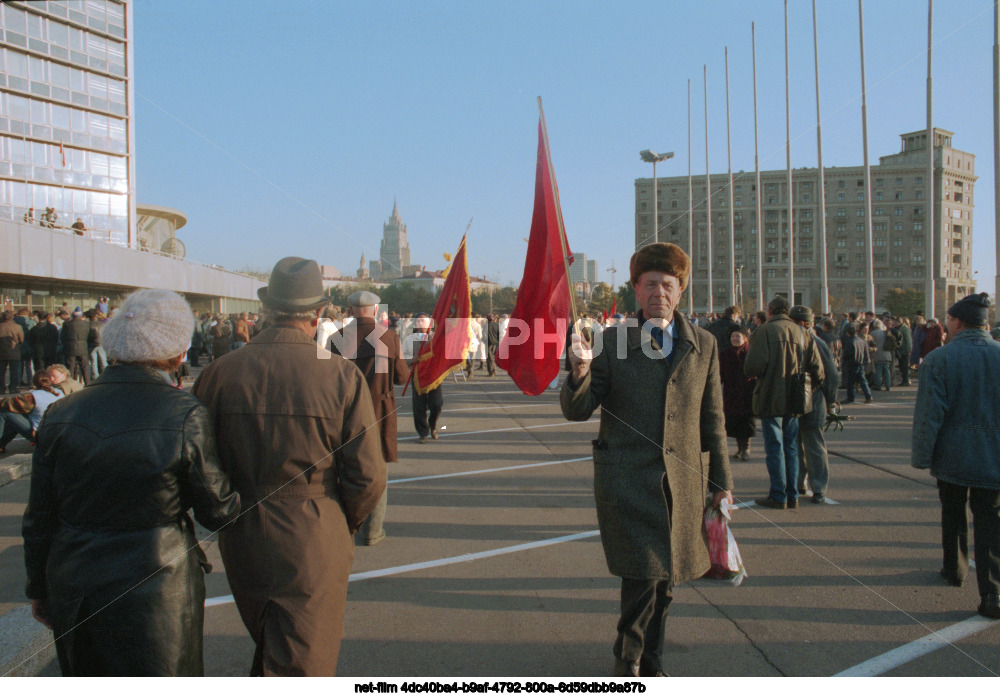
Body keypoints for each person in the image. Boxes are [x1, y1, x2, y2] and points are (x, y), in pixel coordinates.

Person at [21, 290, 241, 675]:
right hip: (159, 583)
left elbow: (39, 516)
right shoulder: (184, 413)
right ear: (176, 353)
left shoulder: (60, 412)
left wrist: (39, 587)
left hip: (75, 580)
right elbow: (218, 510)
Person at [193, 256, 386, 676]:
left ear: (266, 309)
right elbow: (367, 475)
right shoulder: (339, 375)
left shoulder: (218, 372)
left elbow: (199, 463)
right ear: (318, 314)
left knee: (273, 644)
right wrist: (340, 520)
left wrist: (225, 512)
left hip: (243, 527)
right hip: (314, 524)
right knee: (303, 661)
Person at [561, 242, 733, 677]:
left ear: (680, 292)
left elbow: (713, 417)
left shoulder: (704, 345)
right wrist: (579, 374)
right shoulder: (614, 341)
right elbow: (579, 410)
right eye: (650, 283)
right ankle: (632, 659)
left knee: (667, 580)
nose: (660, 292)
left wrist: (721, 483)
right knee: (643, 577)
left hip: (684, 483)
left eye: (669, 284)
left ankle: (648, 659)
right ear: (636, 289)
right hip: (629, 481)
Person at [912, 293, 1000, 620]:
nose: (946, 326)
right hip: (994, 457)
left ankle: (955, 569)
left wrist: (922, 456)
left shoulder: (940, 359)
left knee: (953, 512)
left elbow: (929, 416)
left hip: (953, 455)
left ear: (958, 322)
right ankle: (993, 593)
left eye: (948, 321)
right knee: (991, 521)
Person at [331, 290, 408, 547]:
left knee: (345, 468)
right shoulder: (388, 337)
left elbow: (327, 381)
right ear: (376, 310)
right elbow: (401, 377)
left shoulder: (337, 338)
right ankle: (373, 530)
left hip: (345, 413)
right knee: (377, 471)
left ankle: (348, 525)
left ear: (351, 310)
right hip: (379, 411)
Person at [744, 296, 823, 510]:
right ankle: (793, 494)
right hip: (795, 399)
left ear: (770, 311)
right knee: (791, 447)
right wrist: (807, 389)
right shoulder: (804, 333)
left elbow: (752, 366)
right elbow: (818, 370)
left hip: (770, 396)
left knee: (775, 447)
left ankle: (778, 494)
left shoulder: (765, 331)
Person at [789, 306, 840, 504]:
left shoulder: (817, 343)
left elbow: (832, 375)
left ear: (801, 323)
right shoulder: (795, 342)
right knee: (797, 445)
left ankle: (818, 488)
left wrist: (831, 400)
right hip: (798, 401)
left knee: (813, 446)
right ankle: (800, 483)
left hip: (813, 401)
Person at [0, 370, 62, 453]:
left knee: (5, 413)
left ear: (34, 383)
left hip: (41, 435)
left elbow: (10, 403)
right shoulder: (60, 393)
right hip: (59, 433)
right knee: (16, 419)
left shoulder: (33, 396)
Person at [718, 329, 755, 460]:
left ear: (745, 338)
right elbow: (719, 373)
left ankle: (746, 448)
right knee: (735, 421)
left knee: (747, 421)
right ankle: (739, 448)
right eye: (733, 336)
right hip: (731, 392)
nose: (735, 339)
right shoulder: (725, 354)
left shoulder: (751, 352)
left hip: (747, 392)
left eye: (738, 336)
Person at [408, 313, 443, 444]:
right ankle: (423, 432)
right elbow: (402, 357)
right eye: (418, 321)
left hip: (434, 376)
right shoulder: (409, 339)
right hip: (418, 376)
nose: (420, 323)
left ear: (430, 323)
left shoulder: (436, 338)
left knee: (436, 404)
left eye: (423, 320)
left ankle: (432, 425)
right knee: (419, 406)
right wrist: (412, 359)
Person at [841, 324, 873, 404]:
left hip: (852, 364)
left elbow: (846, 354)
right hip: (861, 364)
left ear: (848, 333)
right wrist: (865, 362)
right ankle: (868, 396)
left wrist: (844, 363)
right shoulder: (862, 341)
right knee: (863, 381)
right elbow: (866, 354)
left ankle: (850, 398)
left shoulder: (849, 342)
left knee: (850, 382)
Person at [0, 310, 25, 394]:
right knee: (14, 371)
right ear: (12, 317)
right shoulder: (18, 327)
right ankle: (13, 388)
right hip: (14, 351)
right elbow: (21, 340)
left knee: (1, 372)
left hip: (1, 352)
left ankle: (1, 388)